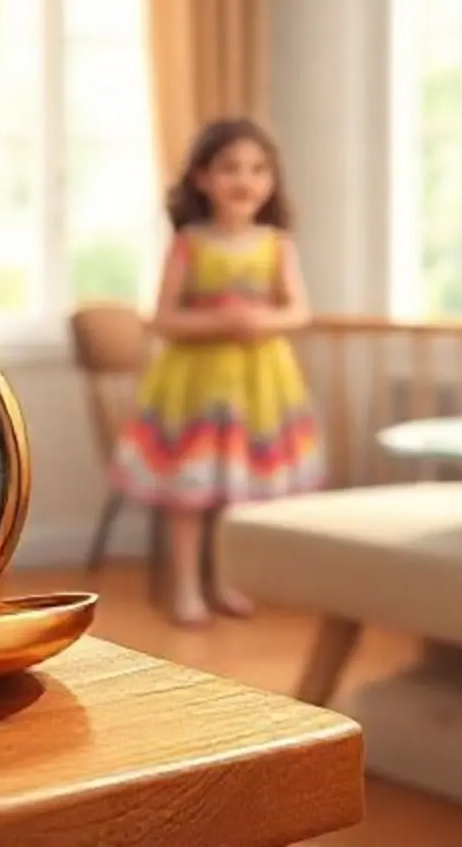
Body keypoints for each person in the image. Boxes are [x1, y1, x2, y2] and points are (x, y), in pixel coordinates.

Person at [109, 117, 324, 626]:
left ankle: (226, 580)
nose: (244, 180)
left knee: (236, 492)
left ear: (271, 180)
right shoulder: (190, 243)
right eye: (230, 168)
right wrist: (217, 322)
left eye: (257, 169)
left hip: (259, 386)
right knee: (190, 492)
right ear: (202, 178)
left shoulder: (276, 244)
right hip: (195, 386)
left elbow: (299, 311)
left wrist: (262, 321)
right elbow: (163, 317)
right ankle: (186, 587)